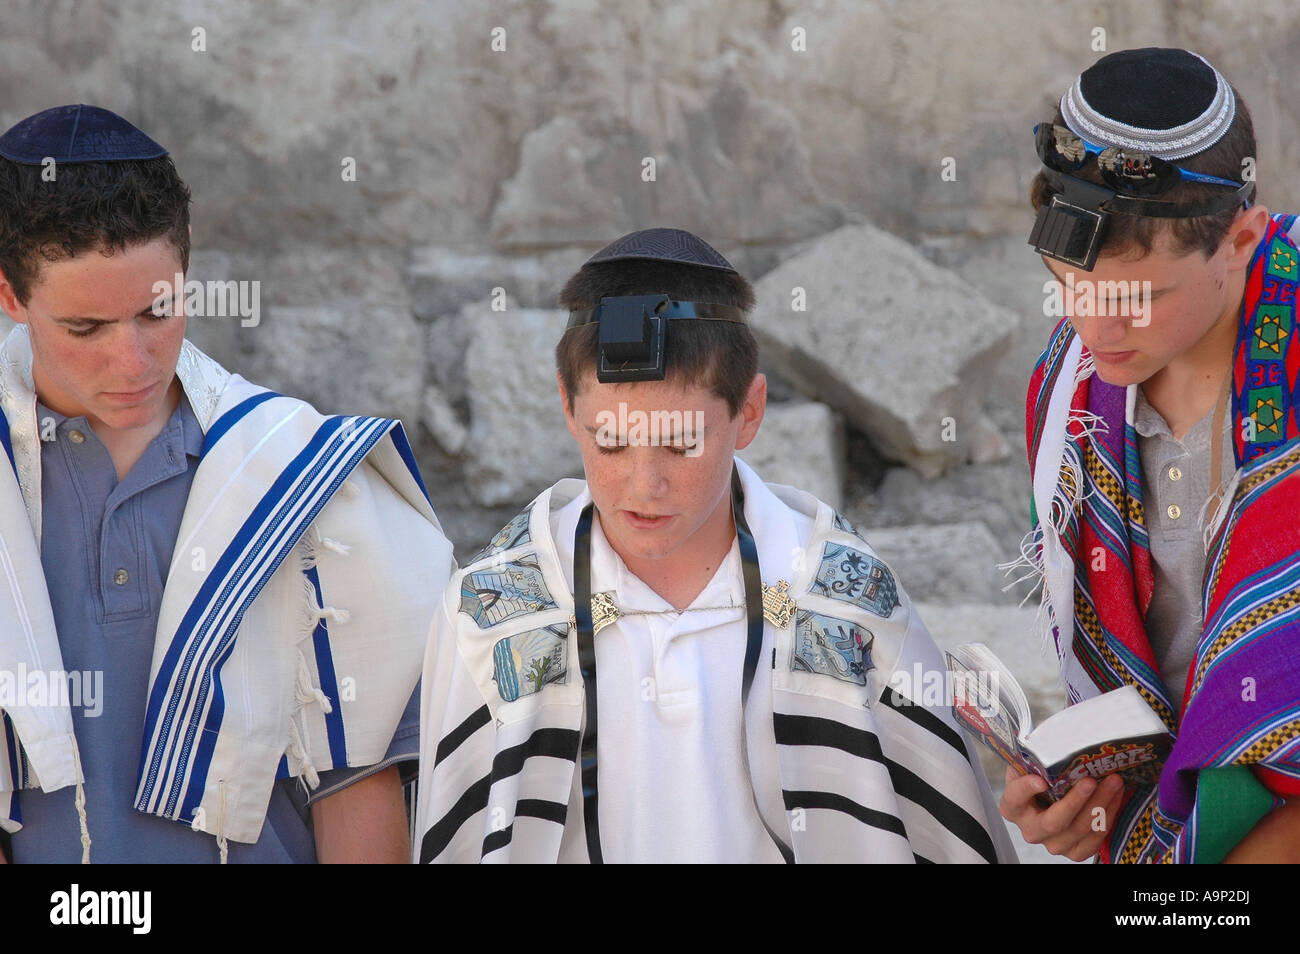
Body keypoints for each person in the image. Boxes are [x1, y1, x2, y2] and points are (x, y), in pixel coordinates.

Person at [413, 227, 1016, 863]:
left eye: (681, 444)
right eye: (611, 443)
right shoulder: (493, 617)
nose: (645, 484)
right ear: (567, 406)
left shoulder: (843, 600)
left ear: (749, 412)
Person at [0, 105, 454, 862]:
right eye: (87, 329)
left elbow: (355, 781)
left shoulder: (302, 472)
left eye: (159, 310)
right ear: (11, 297)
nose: (135, 360)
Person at [1004, 48, 1300, 863]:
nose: (1093, 331)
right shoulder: (1069, 395)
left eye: (1138, 299)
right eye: (1067, 280)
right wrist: (1081, 798)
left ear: (1241, 238)